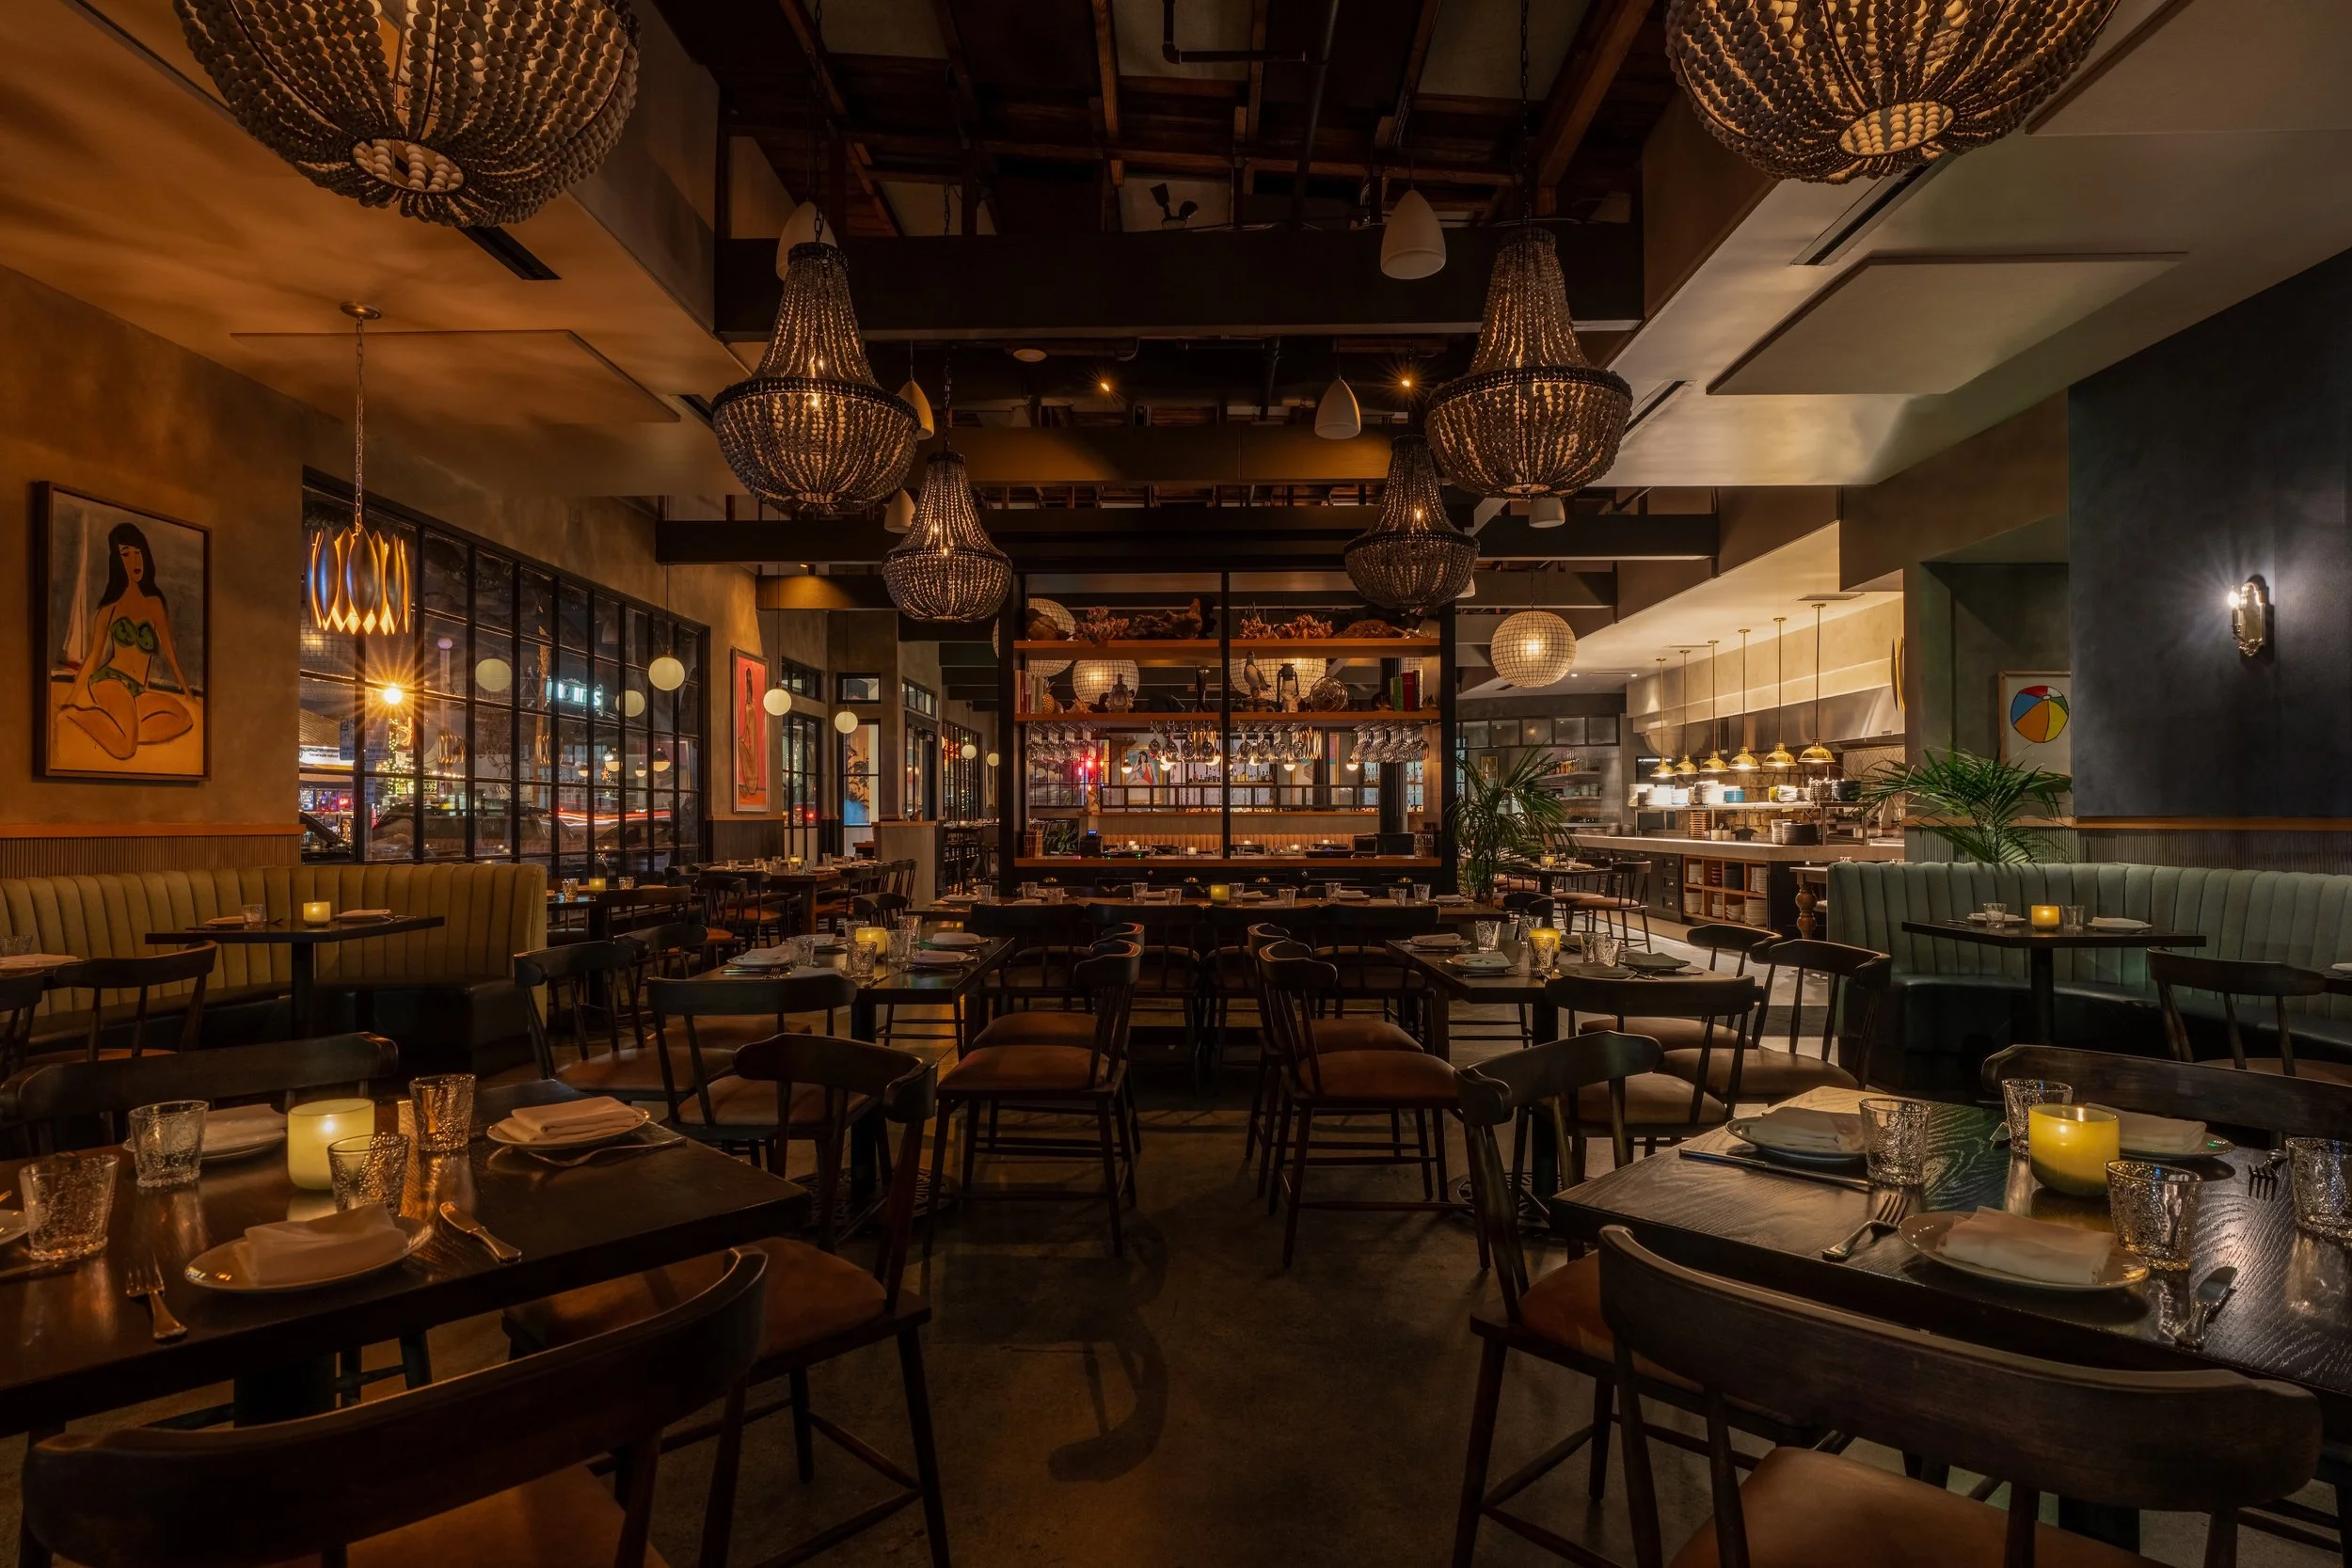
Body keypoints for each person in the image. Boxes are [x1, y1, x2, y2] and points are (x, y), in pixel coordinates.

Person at [60, 521, 193, 761]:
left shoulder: (154, 605)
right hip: (110, 681)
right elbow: (94, 656)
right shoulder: (109, 610)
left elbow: (170, 651)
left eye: (138, 553)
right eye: (126, 554)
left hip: (137, 690)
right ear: (117, 561)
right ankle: (76, 715)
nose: (135, 561)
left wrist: (187, 691)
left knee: (183, 719)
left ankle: (116, 726)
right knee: (125, 749)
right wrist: (70, 698)